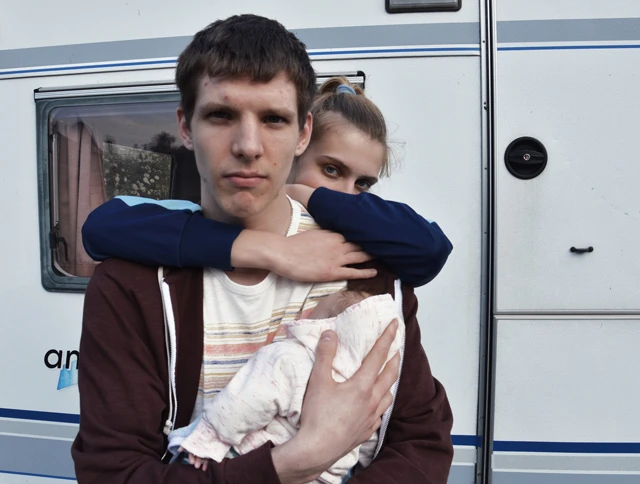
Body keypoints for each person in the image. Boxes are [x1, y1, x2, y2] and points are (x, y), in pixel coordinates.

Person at [72, 14, 453, 484]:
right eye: (221, 115)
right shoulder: (133, 284)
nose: (248, 146)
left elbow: (421, 443)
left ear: (303, 133)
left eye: (274, 119)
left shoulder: (365, 269)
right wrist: (295, 462)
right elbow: (114, 473)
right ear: (185, 127)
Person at [82, 79, 453, 288]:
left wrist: (310, 195)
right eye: (331, 170)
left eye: (363, 184)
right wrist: (271, 250)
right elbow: (101, 228)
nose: (346, 194)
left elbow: (431, 250)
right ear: (295, 148)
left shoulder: (363, 238)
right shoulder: (201, 219)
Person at [170, 289, 403, 484]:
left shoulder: (291, 358)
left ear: (324, 327)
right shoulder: (368, 392)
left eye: (314, 311)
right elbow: (367, 440)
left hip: (253, 458)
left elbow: (248, 401)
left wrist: (210, 437)